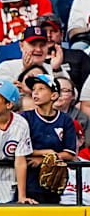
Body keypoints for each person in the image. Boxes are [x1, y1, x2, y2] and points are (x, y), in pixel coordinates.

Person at [23, 74, 77, 204]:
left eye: (41, 89)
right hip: (29, 182)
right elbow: (20, 149)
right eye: (34, 89)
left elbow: (69, 153)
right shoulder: (25, 117)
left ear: (54, 95)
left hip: (53, 186)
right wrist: (47, 152)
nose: (35, 92)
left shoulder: (65, 120)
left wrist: (45, 160)